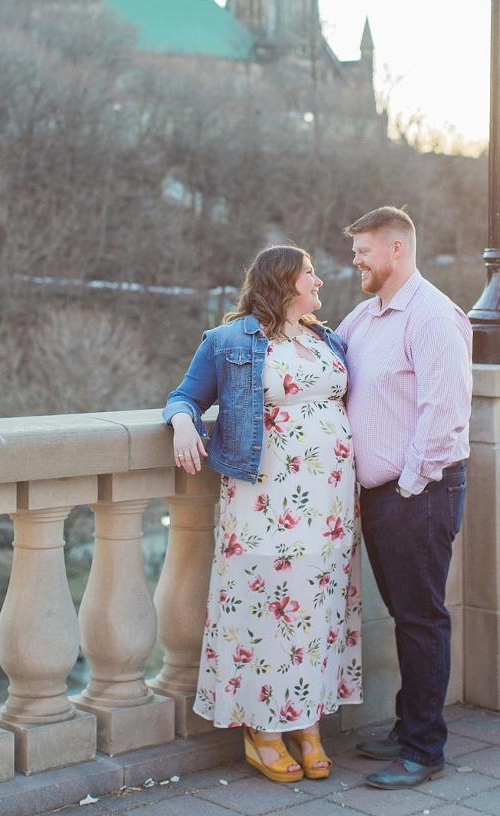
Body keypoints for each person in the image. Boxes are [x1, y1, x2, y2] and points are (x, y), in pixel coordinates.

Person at [163, 245, 362, 784]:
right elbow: (183, 397)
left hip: (331, 510)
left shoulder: (327, 339)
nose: (319, 280)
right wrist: (184, 425)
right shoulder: (231, 341)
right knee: (266, 614)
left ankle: (305, 722)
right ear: (283, 283)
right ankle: (264, 730)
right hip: (264, 505)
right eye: (309, 273)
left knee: (315, 614)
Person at [336, 207, 472, 790]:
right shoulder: (365, 317)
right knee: (407, 617)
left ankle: (424, 749)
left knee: (421, 620)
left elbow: (443, 413)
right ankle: (408, 725)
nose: (357, 262)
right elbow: (316, 353)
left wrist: (407, 487)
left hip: (419, 493)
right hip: (382, 497)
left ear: (396, 249)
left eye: (364, 251)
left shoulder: (434, 315)